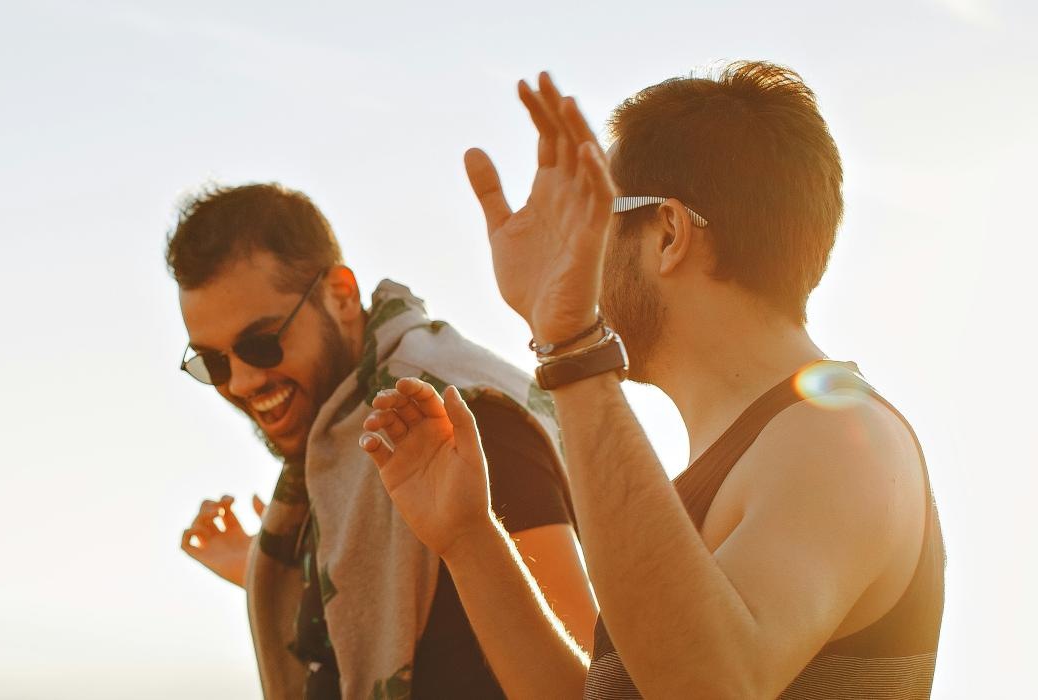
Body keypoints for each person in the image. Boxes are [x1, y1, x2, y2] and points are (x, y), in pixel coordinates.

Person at [364, 64, 943, 698]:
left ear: (668, 233)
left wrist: (570, 343)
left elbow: (711, 687)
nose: (576, 250)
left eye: (597, 219)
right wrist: (469, 540)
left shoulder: (840, 436)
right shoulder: (751, 458)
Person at [169, 184, 594, 698]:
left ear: (342, 296)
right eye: (212, 363)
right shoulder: (337, 432)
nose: (239, 383)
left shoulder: (459, 419)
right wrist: (267, 567)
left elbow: (584, 676)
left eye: (260, 345)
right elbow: (395, 608)